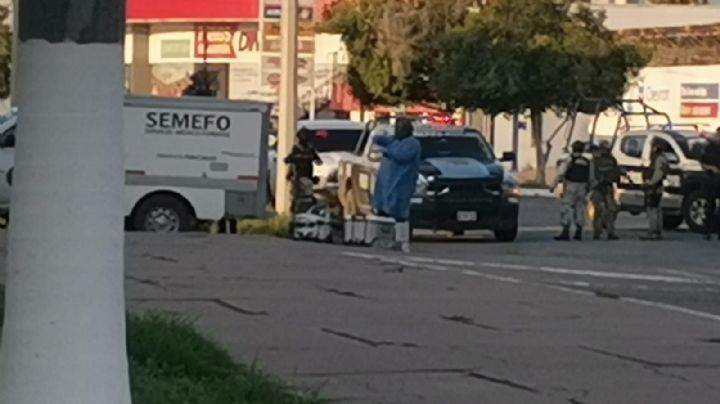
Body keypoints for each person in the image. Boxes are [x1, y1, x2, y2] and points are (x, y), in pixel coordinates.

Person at [372, 118, 422, 253]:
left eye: (400, 128)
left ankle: (402, 241)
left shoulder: (412, 144)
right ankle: (386, 239)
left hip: (402, 183)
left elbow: (402, 156)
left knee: (400, 213)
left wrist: (386, 151)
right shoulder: (396, 141)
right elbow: (381, 139)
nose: (397, 130)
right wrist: (378, 137)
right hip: (387, 183)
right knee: (384, 211)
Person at [551, 141, 591, 241]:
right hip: (583, 187)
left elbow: (561, 174)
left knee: (567, 207)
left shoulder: (569, 160)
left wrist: (553, 186)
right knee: (580, 208)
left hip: (570, 186)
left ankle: (565, 231)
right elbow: (591, 177)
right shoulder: (587, 161)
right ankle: (579, 231)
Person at [284, 128, 322, 214]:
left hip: (308, 176)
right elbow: (287, 160)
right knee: (297, 196)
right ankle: (295, 211)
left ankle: (307, 209)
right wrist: (297, 158)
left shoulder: (309, 149)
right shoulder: (297, 148)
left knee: (308, 195)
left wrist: (310, 158)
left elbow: (319, 161)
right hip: (298, 176)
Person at [641, 139, 672, 241]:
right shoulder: (663, 158)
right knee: (657, 209)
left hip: (655, 186)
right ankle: (657, 231)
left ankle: (653, 231)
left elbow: (658, 173)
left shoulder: (659, 159)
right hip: (659, 185)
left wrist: (650, 183)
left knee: (652, 209)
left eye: (653, 145)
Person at [590, 140, 621, 240]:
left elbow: (616, 173)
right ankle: (607, 232)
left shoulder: (597, 160)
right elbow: (616, 174)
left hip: (601, 187)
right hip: (603, 187)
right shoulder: (610, 160)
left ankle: (599, 232)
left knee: (602, 211)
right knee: (607, 210)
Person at [700, 127, 720, 240]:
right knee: (710, 206)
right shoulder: (709, 148)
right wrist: (711, 168)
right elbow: (703, 163)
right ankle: (707, 231)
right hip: (711, 179)